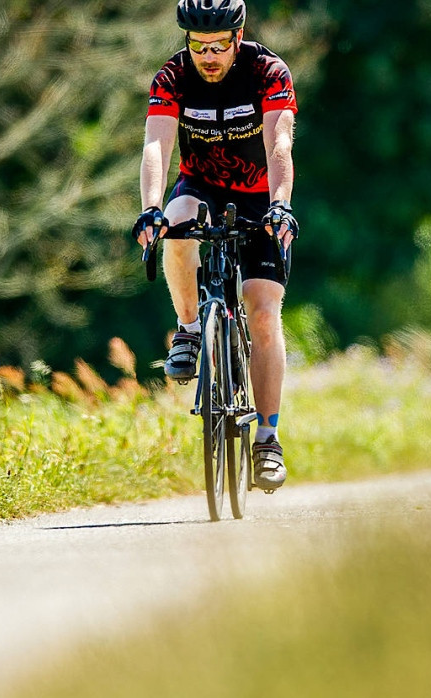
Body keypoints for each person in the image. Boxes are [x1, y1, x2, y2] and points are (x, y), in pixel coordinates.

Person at [132, 0, 298, 491]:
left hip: (259, 196)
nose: (207, 56)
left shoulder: (268, 71)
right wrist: (150, 207)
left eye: (218, 46)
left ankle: (267, 439)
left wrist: (281, 204)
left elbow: (280, 145)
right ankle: (187, 330)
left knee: (263, 310)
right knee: (176, 227)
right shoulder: (171, 78)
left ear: (238, 36)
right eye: (198, 45)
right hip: (200, 188)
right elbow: (156, 146)